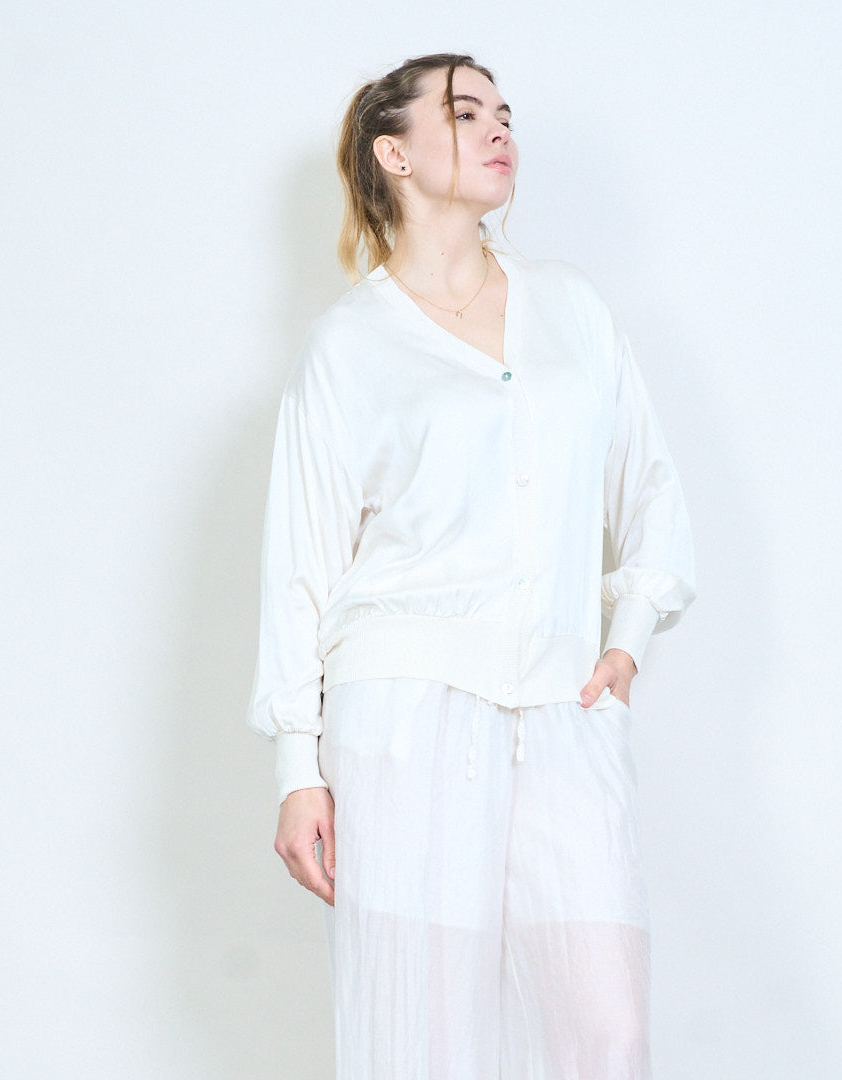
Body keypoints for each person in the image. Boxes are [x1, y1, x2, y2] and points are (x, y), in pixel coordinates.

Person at [248, 52, 696, 1079]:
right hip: (402, 717)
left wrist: (627, 638)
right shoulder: (348, 345)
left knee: (608, 1032)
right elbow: (301, 566)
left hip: (564, 705)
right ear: (393, 153)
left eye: (503, 112)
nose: (499, 128)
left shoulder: (570, 307)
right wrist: (298, 769)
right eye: (463, 112)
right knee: (426, 1037)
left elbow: (650, 487)